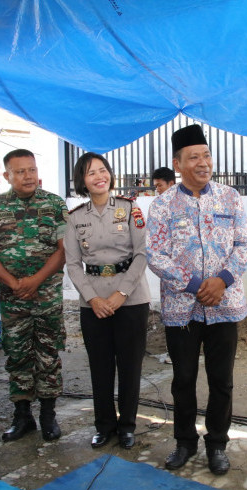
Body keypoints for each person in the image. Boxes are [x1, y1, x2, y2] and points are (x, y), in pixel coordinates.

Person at [147, 124, 247, 475]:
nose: (203, 162)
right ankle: (184, 441)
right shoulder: (162, 205)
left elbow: (244, 245)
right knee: (183, 379)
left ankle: (217, 444)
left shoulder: (230, 198)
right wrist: (195, 284)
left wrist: (221, 281)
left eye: (206, 155)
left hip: (224, 305)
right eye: (194, 157)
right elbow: (155, 254)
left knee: (222, 380)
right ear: (178, 164)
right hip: (182, 307)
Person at [0, 149, 68, 442]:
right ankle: (22, 416)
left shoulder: (54, 204)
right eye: (20, 172)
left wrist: (36, 280)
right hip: (13, 297)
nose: (27, 176)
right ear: (7, 176)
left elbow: (64, 250)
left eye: (31, 169)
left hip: (47, 297)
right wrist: (14, 283)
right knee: (17, 355)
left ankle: (48, 416)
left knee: (48, 353)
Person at [64, 153, 151, 450]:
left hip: (131, 299)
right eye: (91, 173)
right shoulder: (75, 218)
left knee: (130, 366)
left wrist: (120, 294)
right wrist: (93, 298)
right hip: (94, 303)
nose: (99, 177)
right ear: (83, 181)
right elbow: (73, 264)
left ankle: (127, 425)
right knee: (100, 367)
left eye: (103, 171)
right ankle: (103, 426)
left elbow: (141, 255)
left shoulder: (130, 209)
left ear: (110, 175)